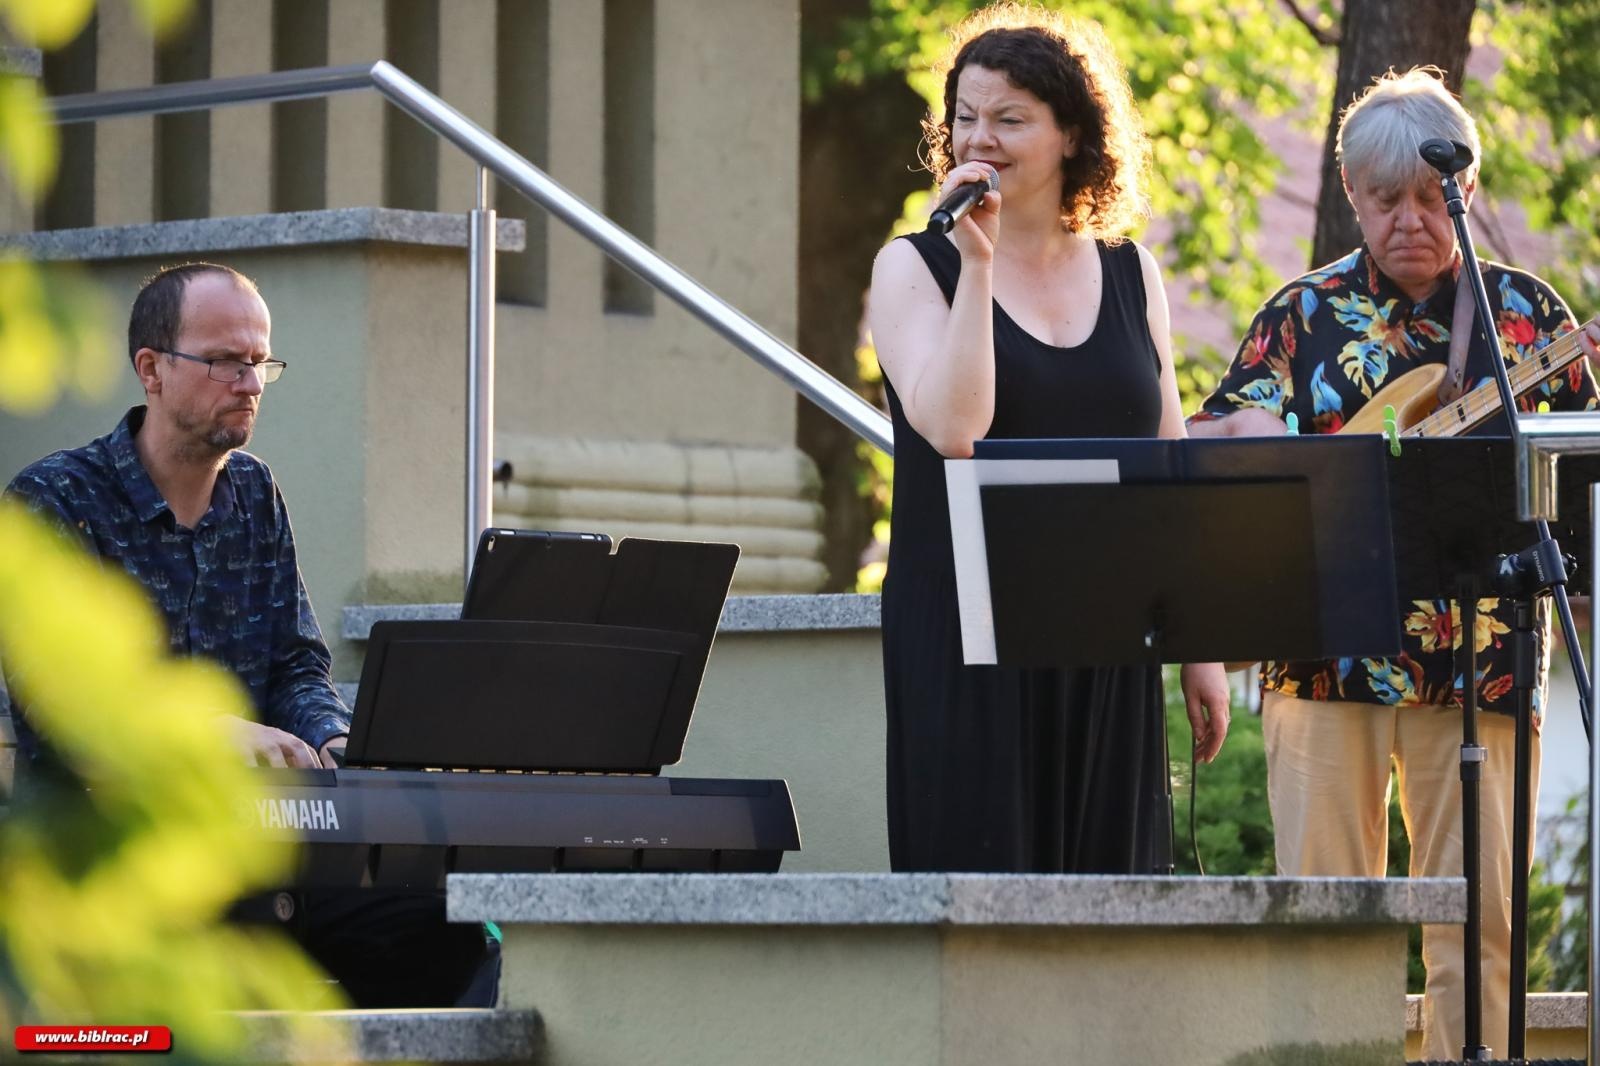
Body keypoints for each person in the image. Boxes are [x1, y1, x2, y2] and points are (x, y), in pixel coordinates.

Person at [1189, 68, 1600, 1060]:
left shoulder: (1525, 318)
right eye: (1385, 201)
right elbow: (1207, 442)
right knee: (1328, 917)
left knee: (1484, 920)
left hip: (1486, 659)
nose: (1409, 220)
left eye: (1429, 196)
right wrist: (1243, 429)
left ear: (1461, 190)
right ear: (1351, 196)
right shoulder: (1299, 317)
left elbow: (1582, 468)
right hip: (1322, 654)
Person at [3, 262, 496, 1008]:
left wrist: (332, 742)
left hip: (261, 854)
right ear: (152, 370)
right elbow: (67, 711)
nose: (251, 382)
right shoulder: (51, 501)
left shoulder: (256, 494)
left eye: (260, 360)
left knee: (446, 932)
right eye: (225, 361)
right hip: (113, 873)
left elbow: (296, 663)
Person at [866, 3, 1230, 875]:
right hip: (967, 634)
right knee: (984, 906)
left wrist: (1201, 648)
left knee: (1112, 905)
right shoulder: (913, 267)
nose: (978, 140)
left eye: (1009, 119)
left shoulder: (1129, 269)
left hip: (1107, 636)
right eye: (964, 118)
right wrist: (979, 264)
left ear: (1072, 134)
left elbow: (1166, 465)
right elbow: (956, 430)